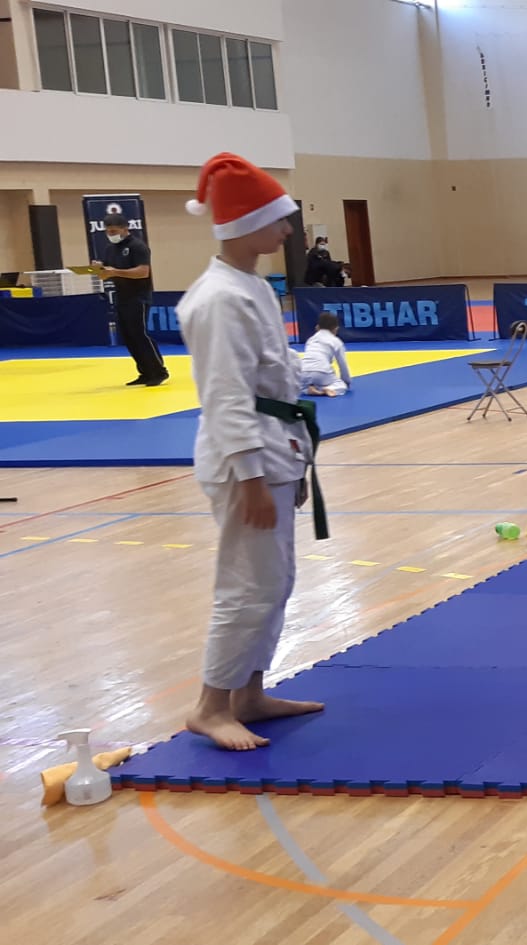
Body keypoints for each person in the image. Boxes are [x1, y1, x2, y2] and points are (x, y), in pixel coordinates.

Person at [177, 152, 325, 751]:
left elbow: (276, 376)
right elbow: (225, 396)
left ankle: (249, 695)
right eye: (278, 219)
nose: (287, 230)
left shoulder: (254, 286)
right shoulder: (218, 299)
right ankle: (210, 706)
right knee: (247, 584)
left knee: (275, 580)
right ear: (245, 224)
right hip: (243, 460)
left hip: (273, 450)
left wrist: (294, 457)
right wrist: (250, 477)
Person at [96, 211, 168, 387]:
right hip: (121, 296)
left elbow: (143, 272)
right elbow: (108, 271)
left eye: (114, 231)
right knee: (128, 336)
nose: (111, 234)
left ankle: (159, 371)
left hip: (138, 297)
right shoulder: (110, 248)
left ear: (124, 228)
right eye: (108, 232)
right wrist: (99, 269)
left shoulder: (137, 246)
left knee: (139, 334)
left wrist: (115, 272)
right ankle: (145, 371)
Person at [298, 311, 353, 397]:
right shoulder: (336, 341)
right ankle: (329, 389)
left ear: (317, 327)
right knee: (341, 385)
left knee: (300, 387)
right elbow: (342, 364)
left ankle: (308, 390)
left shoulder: (311, 340)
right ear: (336, 329)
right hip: (322, 372)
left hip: (303, 372)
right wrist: (346, 381)